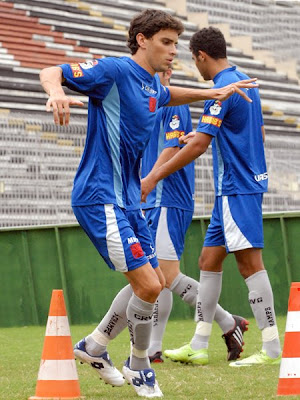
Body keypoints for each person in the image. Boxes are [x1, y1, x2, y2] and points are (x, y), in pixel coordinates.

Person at [40, 9, 258, 398]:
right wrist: (56, 92)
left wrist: (213, 93)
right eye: (167, 42)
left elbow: (167, 93)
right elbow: (53, 70)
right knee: (148, 285)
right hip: (100, 197)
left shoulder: (151, 86)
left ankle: (93, 347)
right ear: (142, 39)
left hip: (128, 202)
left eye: (176, 43)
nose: (175, 51)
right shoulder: (114, 71)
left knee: (157, 283)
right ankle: (139, 364)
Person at [141, 26, 281, 368]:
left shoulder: (222, 88)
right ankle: (199, 344)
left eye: (193, 59)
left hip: (237, 186)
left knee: (250, 265)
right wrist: (208, 135)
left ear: (201, 56)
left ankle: (273, 346)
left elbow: (202, 145)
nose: (196, 67)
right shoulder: (242, 80)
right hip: (232, 187)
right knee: (208, 261)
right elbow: (255, 132)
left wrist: (154, 177)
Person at [142, 67, 249, 365]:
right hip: (152, 199)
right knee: (158, 275)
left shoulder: (173, 105)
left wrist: (148, 180)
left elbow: (171, 147)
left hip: (167, 198)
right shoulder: (147, 104)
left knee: (166, 275)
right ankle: (155, 346)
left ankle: (228, 322)